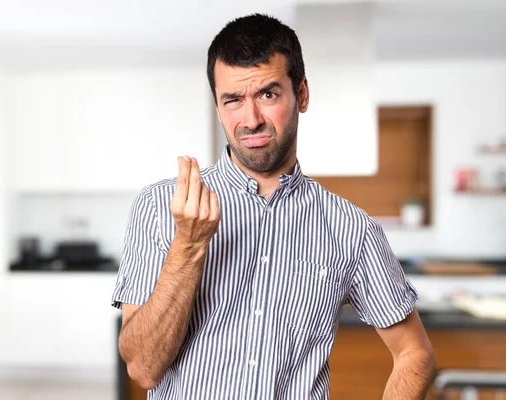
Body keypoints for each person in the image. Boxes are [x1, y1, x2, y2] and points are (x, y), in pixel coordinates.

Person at [112, 13, 436, 400]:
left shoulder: (351, 228)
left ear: (301, 94)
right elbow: (142, 368)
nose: (251, 120)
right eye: (233, 100)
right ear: (218, 107)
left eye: (268, 94)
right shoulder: (160, 207)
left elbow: (414, 353)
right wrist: (189, 244)